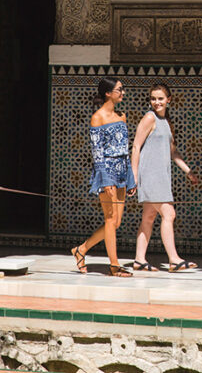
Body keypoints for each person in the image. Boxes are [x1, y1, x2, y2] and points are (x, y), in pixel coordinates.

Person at [71, 77, 137, 277]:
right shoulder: (97, 118)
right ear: (108, 93)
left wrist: (131, 177)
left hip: (122, 171)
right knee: (110, 219)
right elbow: (97, 153)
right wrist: (105, 179)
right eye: (120, 89)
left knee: (116, 222)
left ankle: (81, 249)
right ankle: (114, 265)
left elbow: (125, 149)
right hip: (107, 171)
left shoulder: (122, 116)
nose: (123, 92)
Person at [129, 82, 197, 272]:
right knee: (169, 214)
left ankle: (139, 260)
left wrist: (188, 171)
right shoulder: (149, 118)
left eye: (160, 98)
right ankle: (174, 259)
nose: (156, 102)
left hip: (162, 176)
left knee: (149, 217)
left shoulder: (165, 122)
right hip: (150, 175)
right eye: (153, 98)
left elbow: (172, 152)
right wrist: (133, 176)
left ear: (169, 100)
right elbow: (135, 146)